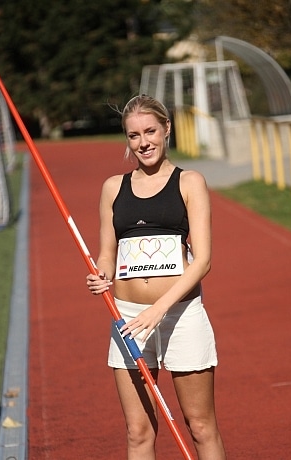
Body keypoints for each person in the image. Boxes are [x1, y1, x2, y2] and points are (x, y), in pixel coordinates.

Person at [86, 95, 226, 460]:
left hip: (180, 315)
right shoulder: (112, 187)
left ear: (167, 129)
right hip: (128, 318)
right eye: (134, 135)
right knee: (138, 432)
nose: (143, 142)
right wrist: (101, 274)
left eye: (150, 131)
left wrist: (158, 310)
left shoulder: (190, 182)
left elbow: (203, 260)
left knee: (200, 426)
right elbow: (106, 252)